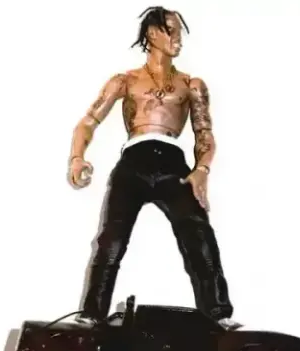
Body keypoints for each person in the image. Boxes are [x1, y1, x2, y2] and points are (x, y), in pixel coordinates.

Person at [68, 6, 240, 330]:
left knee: (199, 235)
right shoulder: (125, 81)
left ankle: (218, 315)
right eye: (170, 30)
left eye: (179, 31)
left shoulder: (191, 84)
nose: (178, 38)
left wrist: (202, 170)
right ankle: (91, 314)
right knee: (111, 239)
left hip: (172, 163)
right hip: (134, 161)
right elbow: (88, 122)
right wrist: (77, 157)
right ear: (152, 34)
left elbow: (204, 133)